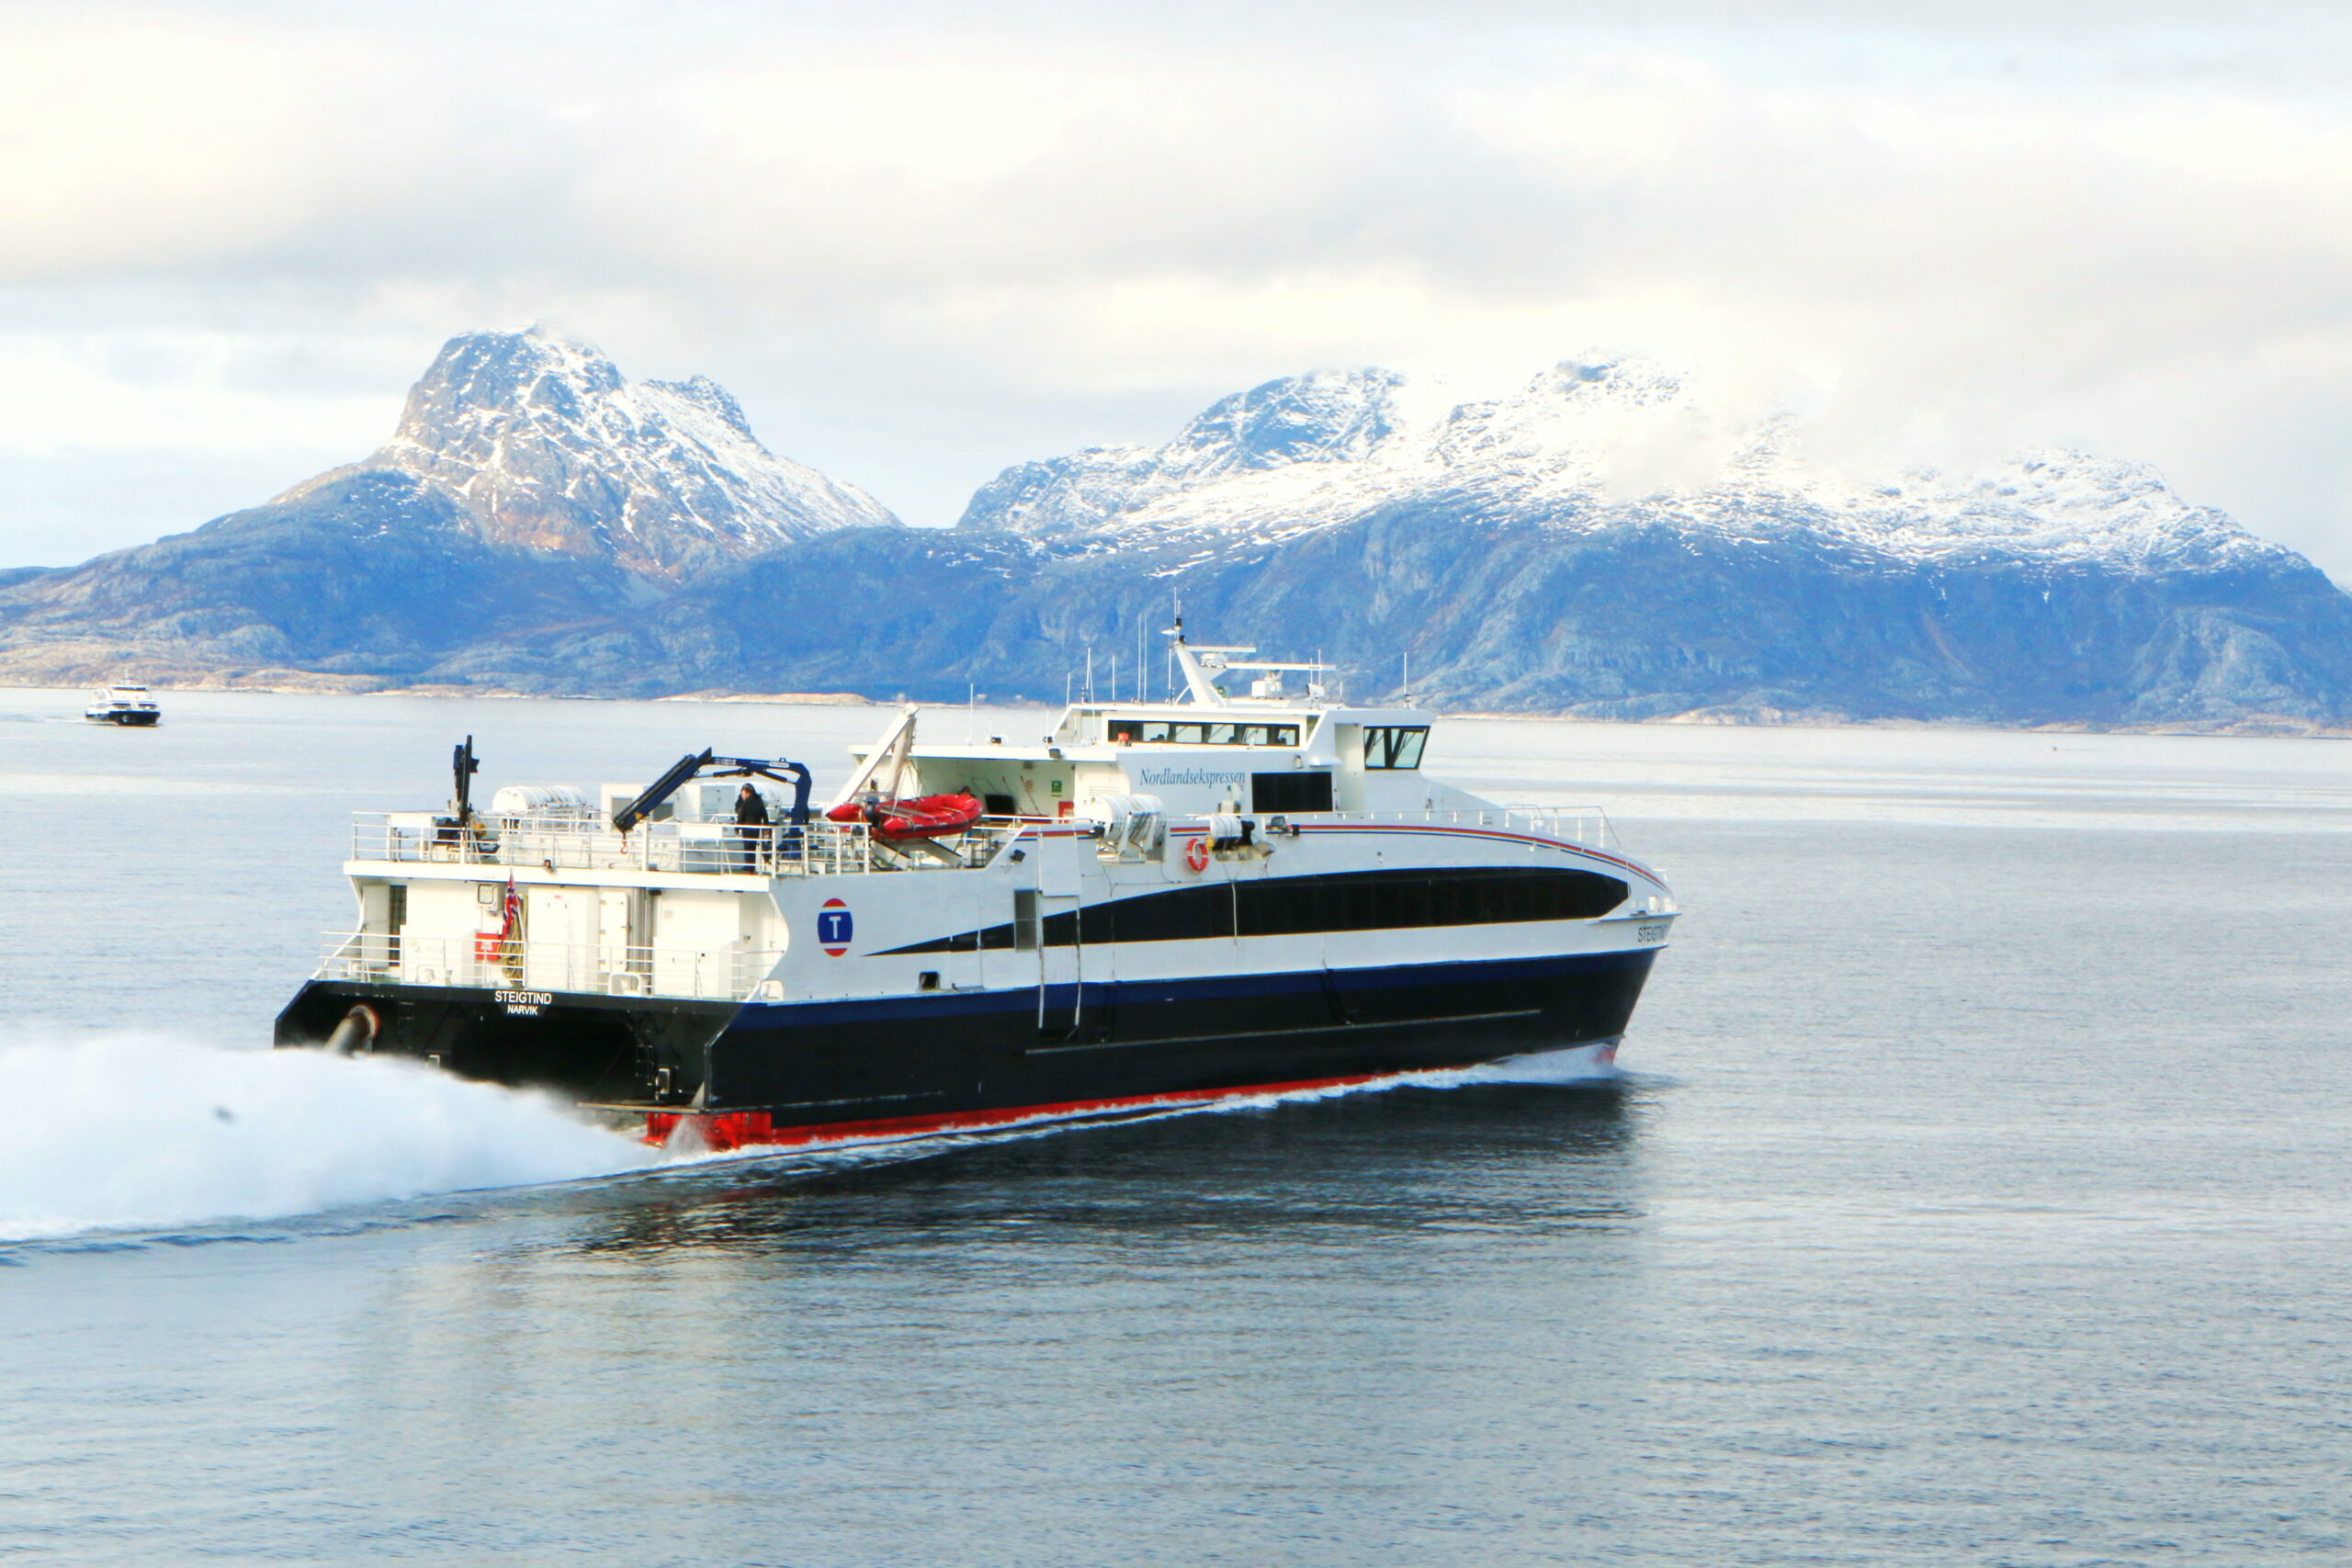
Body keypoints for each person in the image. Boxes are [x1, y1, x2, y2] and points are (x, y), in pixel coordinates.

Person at [733, 783, 770, 872]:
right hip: (756, 829)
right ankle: (752, 867)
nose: (742, 796)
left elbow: (740, 817)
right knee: (753, 848)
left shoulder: (745, 803)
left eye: (743, 793)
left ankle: (748, 866)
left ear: (747, 792)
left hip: (747, 828)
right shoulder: (759, 801)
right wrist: (766, 827)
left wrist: (737, 828)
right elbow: (765, 816)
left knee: (747, 847)